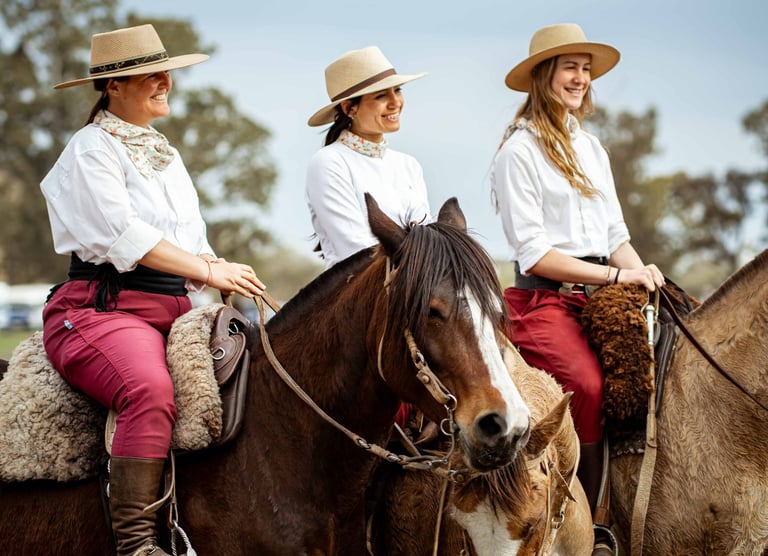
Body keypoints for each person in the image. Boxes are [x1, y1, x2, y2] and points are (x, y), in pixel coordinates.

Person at [40, 24, 265, 556]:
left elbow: (192, 242)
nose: (164, 82)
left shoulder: (166, 153)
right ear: (113, 86)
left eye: (166, 72)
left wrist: (223, 268)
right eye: (149, 75)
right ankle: (138, 543)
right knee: (149, 390)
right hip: (103, 310)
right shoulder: (90, 148)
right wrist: (209, 270)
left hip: (176, 307)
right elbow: (125, 237)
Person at [491, 23, 665, 556]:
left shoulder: (591, 148)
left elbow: (615, 238)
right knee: (588, 386)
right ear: (544, 75)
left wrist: (647, 275)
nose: (581, 78)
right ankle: (590, 525)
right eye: (570, 67)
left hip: (603, 295)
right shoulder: (518, 152)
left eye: (586, 69)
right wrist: (617, 277)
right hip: (544, 300)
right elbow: (535, 255)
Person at [305, 45, 431, 269]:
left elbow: (427, 239)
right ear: (349, 108)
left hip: (412, 282)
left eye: (397, 90)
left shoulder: (408, 165)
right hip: (358, 288)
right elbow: (357, 251)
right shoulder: (329, 162)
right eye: (381, 95)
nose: (395, 102)